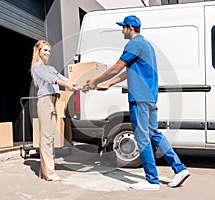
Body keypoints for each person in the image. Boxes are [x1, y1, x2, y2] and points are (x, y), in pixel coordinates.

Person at [84, 15, 190, 190]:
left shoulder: (134, 44)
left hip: (139, 98)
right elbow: (128, 72)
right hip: (149, 97)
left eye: (123, 27)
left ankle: (152, 180)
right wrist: (109, 83)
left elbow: (117, 67)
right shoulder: (146, 45)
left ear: (130, 28)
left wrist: (95, 80)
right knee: (153, 133)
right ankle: (179, 169)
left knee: (141, 137)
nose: (121, 30)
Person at [30, 40, 76, 181]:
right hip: (45, 101)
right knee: (46, 138)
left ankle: (45, 171)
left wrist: (80, 84)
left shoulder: (50, 67)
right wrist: (66, 85)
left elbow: (64, 78)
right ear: (38, 51)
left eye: (49, 51)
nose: (47, 53)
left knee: (50, 137)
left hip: (54, 101)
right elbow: (53, 80)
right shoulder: (37, 67)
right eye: (45, 50)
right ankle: (49, 173)